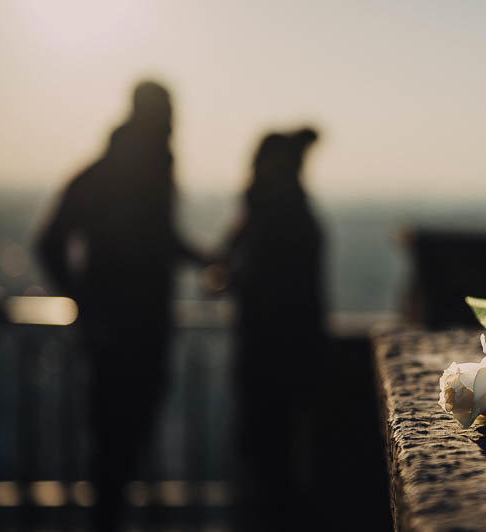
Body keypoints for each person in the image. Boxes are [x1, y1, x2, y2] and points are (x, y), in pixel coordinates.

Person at [36, 80, 202, 531]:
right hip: (126, 335)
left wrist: (87, 303)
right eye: (168, 116)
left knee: (120, 446)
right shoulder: (122, 175)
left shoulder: (111, 174)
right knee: (118, 449)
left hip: (128, 333)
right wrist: (89, 305)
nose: (173, 127)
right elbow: (51, 242)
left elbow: (161, 241)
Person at [224, 127, 327, 527]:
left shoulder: (264, 212)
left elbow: (238, 273)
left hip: (264, 355)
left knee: (265, 458)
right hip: (291, 353)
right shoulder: (292, 210)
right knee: (282, 461)